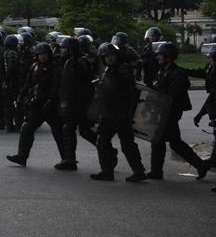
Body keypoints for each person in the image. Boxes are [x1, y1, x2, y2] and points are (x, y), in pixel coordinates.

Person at [146, 42, 210, 180]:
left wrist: (156, 90)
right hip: (163, 111)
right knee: (168, 141)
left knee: (165, 141)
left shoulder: (177, 73)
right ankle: (199, 165)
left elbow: (172, 93)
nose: (158, 57)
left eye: (161, 55)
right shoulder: (163, 70)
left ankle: (158, 171)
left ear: (168, 56)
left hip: (171, 112)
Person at [90, 43, 147, 182]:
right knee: (102, 140)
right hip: (110, 112)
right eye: (107, 56)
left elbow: (126, 91)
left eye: (112, 55)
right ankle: (107, 170)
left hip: (121, 112)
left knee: (126, 143)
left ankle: (137, 171)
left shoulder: (123, 69)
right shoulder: (108, 69)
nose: (110, 58)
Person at [6, 43, 64, 167]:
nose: (43, 57)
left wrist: (50, 101)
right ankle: (22, 156)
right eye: (40, 54)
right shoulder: (35, 66)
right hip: (37, 104)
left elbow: (56, 87)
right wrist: (21, 95)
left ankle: (67, 159)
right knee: (27, 127)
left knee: (59, 132)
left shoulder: (55, 69)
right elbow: (29, 82)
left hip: (50, 105)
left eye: (45, 54)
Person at [54, 36, 98, 171]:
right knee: (68, 129)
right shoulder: (67, 62)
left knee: (86, 131)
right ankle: (69, 160)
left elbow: (89, 84)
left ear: (71, 49)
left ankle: (107, 151)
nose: (61, 50)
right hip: (71, 103)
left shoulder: (82, 62)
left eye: (64, 48)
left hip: (82, 103)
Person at [192, 45, 216, 164]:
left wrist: (200, 114)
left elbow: (212, 97)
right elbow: (203, 72)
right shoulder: (211, 67)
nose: (210, 61)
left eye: (212, 59)